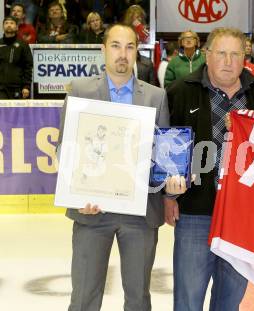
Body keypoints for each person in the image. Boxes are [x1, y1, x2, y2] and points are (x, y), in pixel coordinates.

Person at [58, 24, 184, 311]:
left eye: (129, 47)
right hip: (91, 211)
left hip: (139, 214)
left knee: (138, 298)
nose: (122, 54)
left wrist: (170, 191)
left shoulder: (155, 96)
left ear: (136, 51)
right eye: (115, 46)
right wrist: (76, 196)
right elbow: (65, 148)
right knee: (83, 299)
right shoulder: (80, 91)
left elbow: (163, 157)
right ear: (103, 50)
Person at [166, 27, 254, 311]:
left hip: (242, 218)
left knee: (229, 302)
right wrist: (168, 197)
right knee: (188, 301)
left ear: (245, 57)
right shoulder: (179, 92)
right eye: (221, 53)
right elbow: (166, 150)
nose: (228, 61)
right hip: (195, 215)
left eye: (235, 54)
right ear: (208, 55)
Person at [0, 16, 33, 99]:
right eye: (6, 23)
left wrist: (26, 86)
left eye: (12, 23)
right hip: (1, 88)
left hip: (17, 88)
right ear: (3, 26)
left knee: (18, 112)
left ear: (17, 27)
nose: (9, 25)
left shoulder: (23, 45)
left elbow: (28, 67)